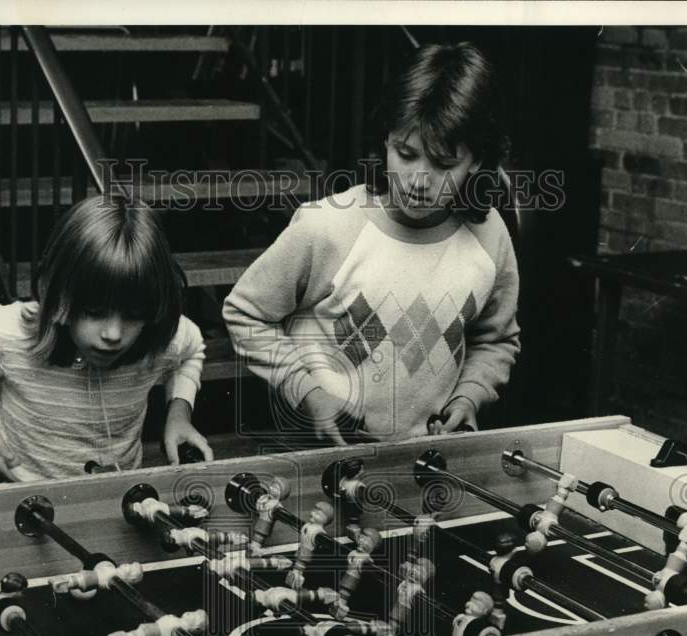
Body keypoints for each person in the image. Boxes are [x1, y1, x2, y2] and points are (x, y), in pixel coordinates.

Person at [223, 41, 520, 445]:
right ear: (385, 141)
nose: (419, 180)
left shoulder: (490, 236)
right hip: (320, 453)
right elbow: (245, 314)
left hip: (425, 460)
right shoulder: (328, 225)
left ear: (478, 161)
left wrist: (470, 396)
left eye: (444, 164)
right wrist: (308, 392)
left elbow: (495, 338)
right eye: (406, 153)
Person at [0, 195, 213, 481]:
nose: (113, 335)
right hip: (22, 494)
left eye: (132, 315)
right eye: (94, 312)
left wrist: (179, 414)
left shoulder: (163, 334)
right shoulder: (5, 330)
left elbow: (192, 352)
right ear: (56, 296)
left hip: (117, 492)